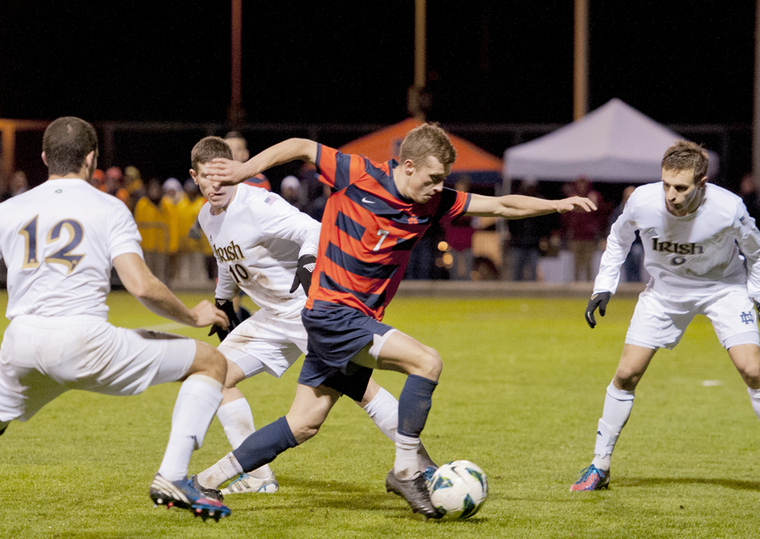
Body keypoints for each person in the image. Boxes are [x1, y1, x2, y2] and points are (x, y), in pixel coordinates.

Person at [192, 123, 596, 518]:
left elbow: (502, 205)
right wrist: (243, 172)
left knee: (303, 422)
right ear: (406, 166)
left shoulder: (434, 201)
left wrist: (555, 205)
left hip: (339, 320)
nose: (439, 187)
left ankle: (206, 480)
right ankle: (407, 470)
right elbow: (301, 145)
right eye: (433, 177)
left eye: (444, 179)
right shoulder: (360, 175)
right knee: (426, 361)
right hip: (334, 314)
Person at [0, 117, 232, 520]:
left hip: (20, 341)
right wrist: (193, 314)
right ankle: (174, 477)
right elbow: (140, 285)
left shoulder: (9, 208)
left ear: (43, 158)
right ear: (91, 159)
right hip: (83, 341)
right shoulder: (108, 207)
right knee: (211, 361)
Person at [189, 136, 434, 495]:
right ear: (194, 177)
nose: (216, 184)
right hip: (271, 316)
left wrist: (306, 262)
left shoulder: (258, 204)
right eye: (207, 177)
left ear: (235, 171)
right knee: (214, 375)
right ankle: (258, 476)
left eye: (222, 175)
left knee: (362, 391)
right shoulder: (206, 216)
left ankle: (422, 468)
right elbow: (229, 259)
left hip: (307, 311)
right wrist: (223, 301)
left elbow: (314, 230)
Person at [571, 140, 760, 497]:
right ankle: (599, 465)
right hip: (664, 292)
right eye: (666, 184)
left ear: (702, 183)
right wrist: (604, 286)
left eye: (681, 187)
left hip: (723, 289)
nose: (671, 195)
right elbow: (617, 240)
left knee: (752, 369)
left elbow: (757, 254)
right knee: (627, 373)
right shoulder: (644, 201)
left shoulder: (729, 209)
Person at [561, 176, 607, 282]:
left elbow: (602, 216)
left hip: (590, 237)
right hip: (575, 236)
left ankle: (589, 287)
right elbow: (565, 217)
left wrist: (596, 229)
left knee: (588, 264)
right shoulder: (572, 197)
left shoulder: (594, 197)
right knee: (576, 264)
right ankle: (576, 287)